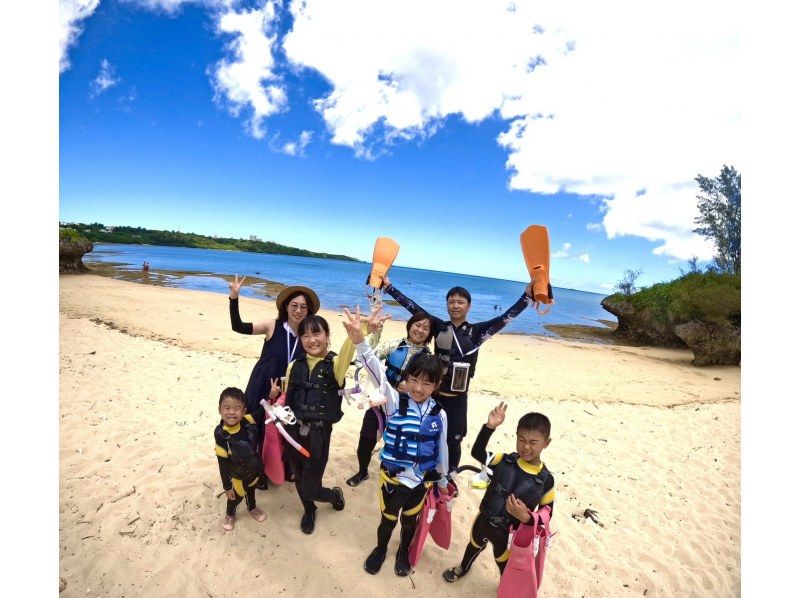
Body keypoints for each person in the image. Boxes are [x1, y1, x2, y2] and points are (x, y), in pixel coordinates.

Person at [381, 275, 533, 469]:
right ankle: (427, 468)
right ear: (446, 305)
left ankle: (450, 474)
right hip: (433, 395)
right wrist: (389, 288)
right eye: (451, 301)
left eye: (460, 302)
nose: (455, 305)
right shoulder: (438, 327)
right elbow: (413, 308)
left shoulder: (478, 332)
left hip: (457, 399)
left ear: (469, 306)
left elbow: (505, 318)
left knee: (454, 441)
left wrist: (526, 298)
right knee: (427, 433)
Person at [342, 307, 450, 577]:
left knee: (410, 520)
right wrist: (359, 340)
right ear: (407, 378)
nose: (418, 388)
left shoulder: (440, 413)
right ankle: (380, 548)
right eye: (414, 380)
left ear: (436, 386)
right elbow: (374, 367)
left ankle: (402, 551)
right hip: (393, 479)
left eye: (427, 384)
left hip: (420, 481)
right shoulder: (393, 401)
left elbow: (442, 448)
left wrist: (443, 481)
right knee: (388, 518)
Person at [268, 308, 388, 534]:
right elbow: (288, 397)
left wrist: (358, 329)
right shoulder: (295, 365)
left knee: (311, 487)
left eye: (317, 334)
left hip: (318, 436)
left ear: (327, 336)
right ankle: (309, 510)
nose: (311, 340)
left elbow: (347, 350)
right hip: (292, 433)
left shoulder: (335, 366)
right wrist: (276, 398)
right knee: (299, 478)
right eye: (305, 335)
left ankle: (334, 495)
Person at [442, 402, 555, 583]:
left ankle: (506, 585)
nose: (526, 447)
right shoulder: (505, 460)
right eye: (521, 440)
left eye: (533, 442)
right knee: (474, 545)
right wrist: (489, 427)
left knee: (503, 561)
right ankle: (463, 567)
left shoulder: (546, 480)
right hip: (484, 519)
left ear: (546, 443)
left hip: (509, 533)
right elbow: (477, 452)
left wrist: (527, 517)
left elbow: (547, 512)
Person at [229, 275, 320, 488]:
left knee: (284, 428)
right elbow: (238, 326)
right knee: (257, 427)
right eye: (294, 305)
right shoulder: (272, 325)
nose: (298, 311)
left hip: (289, 391)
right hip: (262, 384)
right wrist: (234, 299)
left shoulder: (308, 336)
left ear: (309, 311)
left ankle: (283, 468)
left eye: (303, 307)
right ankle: (257, 471)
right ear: (286, 306)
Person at [345, 310, 435, 488]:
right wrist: (376, 331)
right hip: (380, 402)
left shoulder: (428, 359)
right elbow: (368, 358)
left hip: (406, 409)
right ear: (410, 326)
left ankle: (391, 474)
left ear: (430, 334)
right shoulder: (394, 345)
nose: (420, 330)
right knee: (366, 439)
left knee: (397, 446)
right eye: (417, 325)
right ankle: (363, 471)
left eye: (426, 328)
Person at [214, 387, 268, 532]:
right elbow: (223, 464)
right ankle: (230, 514)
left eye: (237, 408)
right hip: (237, 476)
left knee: (251, 490)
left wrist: (271, 396)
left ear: (244, 411)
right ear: (219, 410)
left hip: (254, 470)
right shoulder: (221, 435)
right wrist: (227, 487)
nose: (231, 412)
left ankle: (252, 508)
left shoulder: (247, 421)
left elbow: (262, 412)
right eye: (227, 408)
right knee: (235, 497)